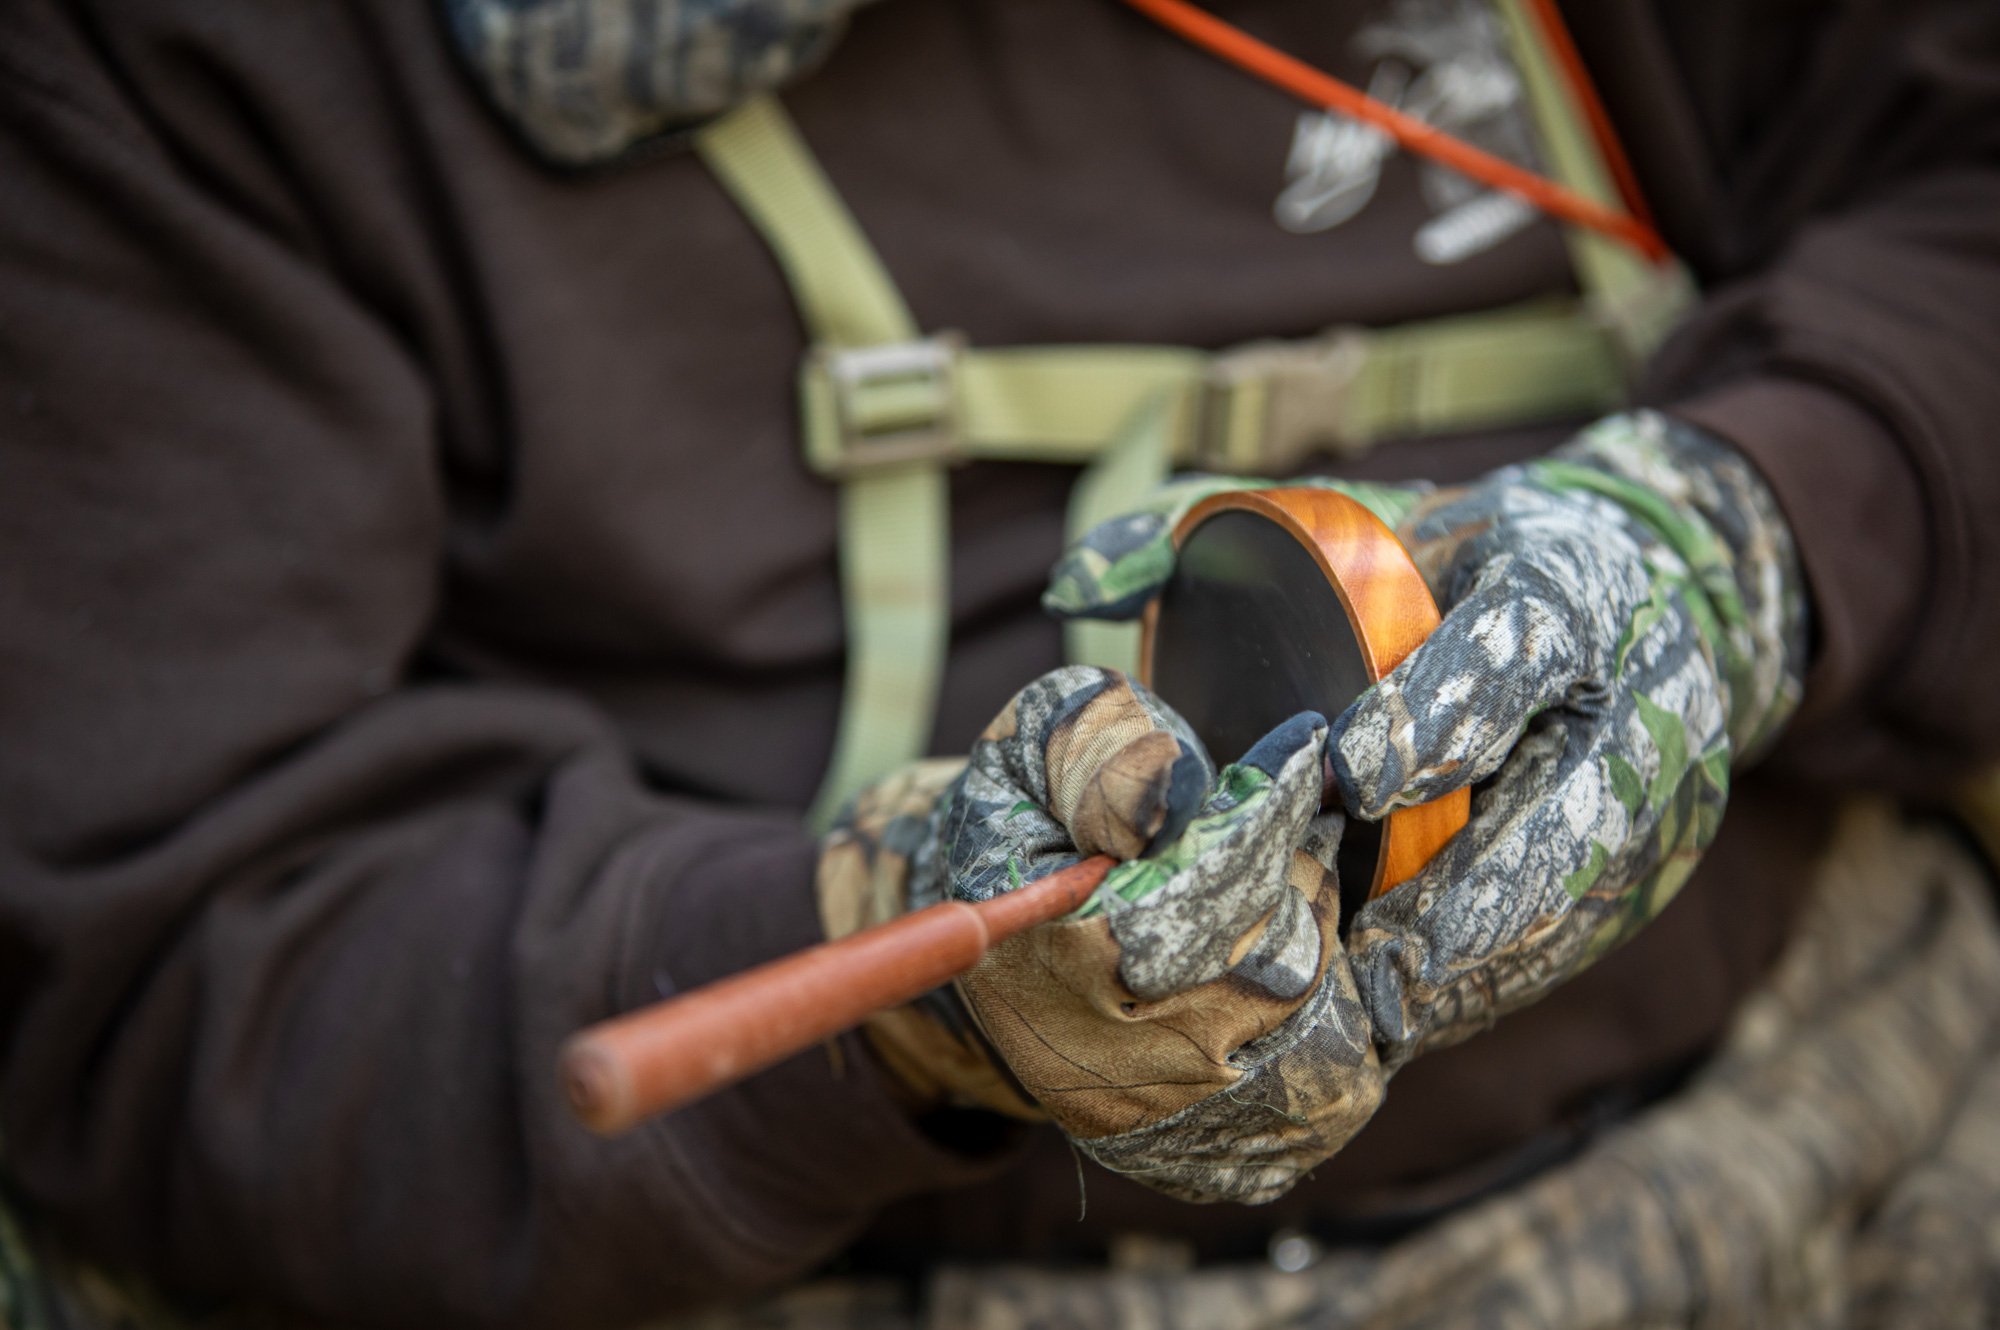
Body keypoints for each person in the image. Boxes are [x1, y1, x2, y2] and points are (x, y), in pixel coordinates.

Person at [1, 0, 1996, 1326]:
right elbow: (191, 965)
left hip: (1855, 1077)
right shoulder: (171, 72)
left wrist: (1750, 525)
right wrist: (893, 992)